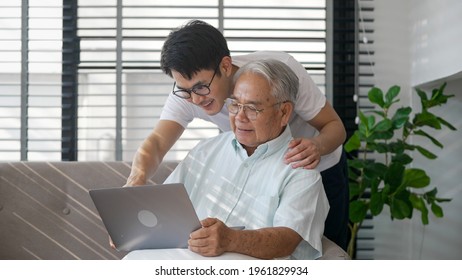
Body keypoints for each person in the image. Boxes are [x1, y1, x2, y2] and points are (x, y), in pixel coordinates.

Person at [126, 20, 349, 250]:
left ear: (225, 66)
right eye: (185, 90)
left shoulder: (280, 71)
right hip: (252, 163)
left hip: (314, 161)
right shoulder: (189, 94)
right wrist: (136, 181)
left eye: (201, 88)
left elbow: (335, 126)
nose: (195, 99)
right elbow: (156, 143)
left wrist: (317, 146)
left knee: (324, 246)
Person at [163, 59, 329, 259]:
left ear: (284, 112)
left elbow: (287, 240)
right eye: (235, 104)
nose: (239, 117)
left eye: (252, 108)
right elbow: (163, 206)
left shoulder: (301, 169)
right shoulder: (205, 151)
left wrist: (231, 239)